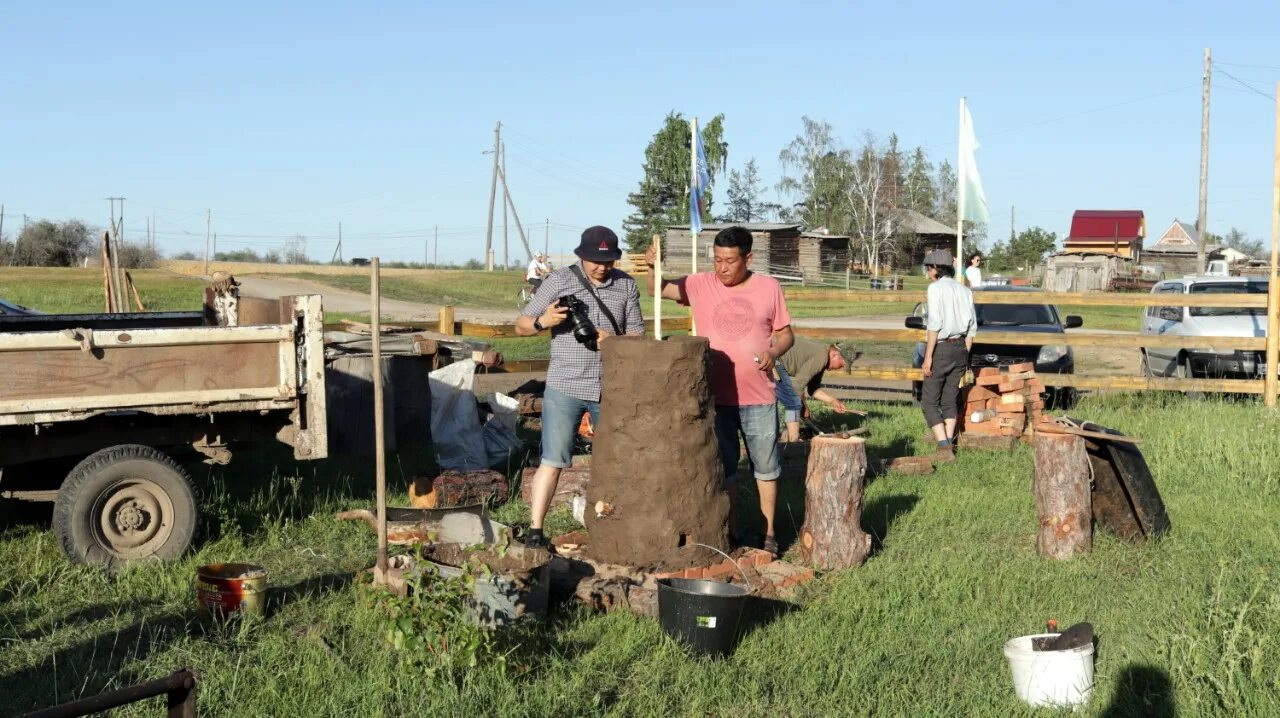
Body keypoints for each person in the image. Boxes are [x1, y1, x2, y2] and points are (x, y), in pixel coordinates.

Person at [645, 226, 794, 556]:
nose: (721, 268)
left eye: (729, 261)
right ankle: (732, 531)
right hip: (716, 398)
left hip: (758, 396)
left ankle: (769, 533)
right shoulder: (700, 284)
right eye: (717, 260)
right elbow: (658, 290)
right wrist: (654, 268)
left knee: (766, 467)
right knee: (725, 469)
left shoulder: (769, 287)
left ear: (748, 258)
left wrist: (773, 352)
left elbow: (785, 334)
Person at [517, 227, 643, 549]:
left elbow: (638, 338)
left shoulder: (627, 285)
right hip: (564, 384)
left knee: (615, 461)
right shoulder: (558, 281)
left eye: (609, 260)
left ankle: (614, 528)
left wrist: (612, 341)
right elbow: (520, 325)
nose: (603, 267)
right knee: (553, 459)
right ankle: (535, 530)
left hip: (610, 387)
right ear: (581, 256)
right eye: (595, 261)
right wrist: (543, 322)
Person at [920, 249, 976, 461]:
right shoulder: (965, 290)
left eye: (928, 268)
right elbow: (972, 328)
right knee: (950, 398)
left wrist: (928, 357)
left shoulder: (935, 289)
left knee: (929, 401)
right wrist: (964, 353)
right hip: (961, 347)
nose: (927, 272)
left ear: (935, 268)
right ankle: (949, 442)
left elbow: (935, 324)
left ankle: (944, 447)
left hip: (942, 347)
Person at [775, 339, 859, 442]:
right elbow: (797, 386)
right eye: (842, 364)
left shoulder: (822, 358)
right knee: (794, 403)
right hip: (774, 359)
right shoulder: (821, 357)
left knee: (789, 401)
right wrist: (804, 408)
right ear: (835, 355)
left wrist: (833, 401)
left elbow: (813, 389)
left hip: (774, 359)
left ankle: (786, 438)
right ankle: (792, 442)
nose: (840, 368)